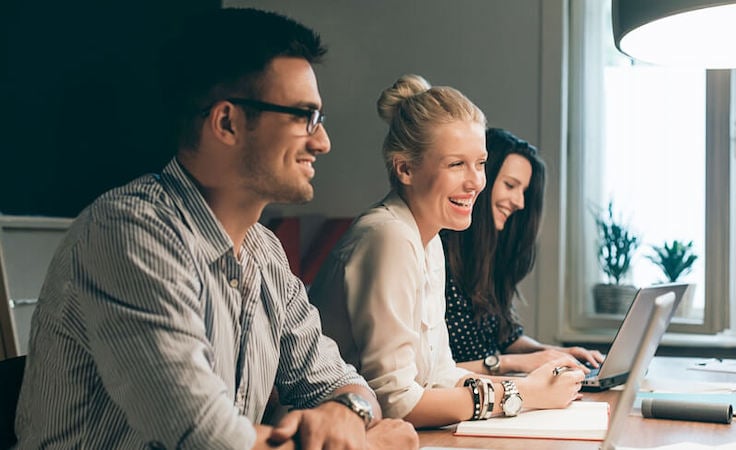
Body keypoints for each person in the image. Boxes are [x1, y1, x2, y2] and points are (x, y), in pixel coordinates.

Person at [14, 8, 416, 450]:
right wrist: (367, 443)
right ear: (227, 123)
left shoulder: (264, 250)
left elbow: (342, 384)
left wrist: (348, 414)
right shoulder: (130, 233)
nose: (322, 142)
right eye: (305, 116)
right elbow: (206, 441)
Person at [309, 74, 585, 429]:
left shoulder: (429, 240)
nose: (475, 182)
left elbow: (439, 375)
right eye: (456, 164)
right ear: (405, 168)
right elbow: (395, 402)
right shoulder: (388, 236)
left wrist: (534, 386)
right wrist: (526, 395)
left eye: (481, 163)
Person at [441, 128, 604, 376]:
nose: (520, 202)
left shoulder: (488, 255)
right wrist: (512, 363)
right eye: (510, 185)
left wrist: (556, 354)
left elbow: (507, 339)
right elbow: (430, 375)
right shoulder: (438, 253)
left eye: (524, 191)